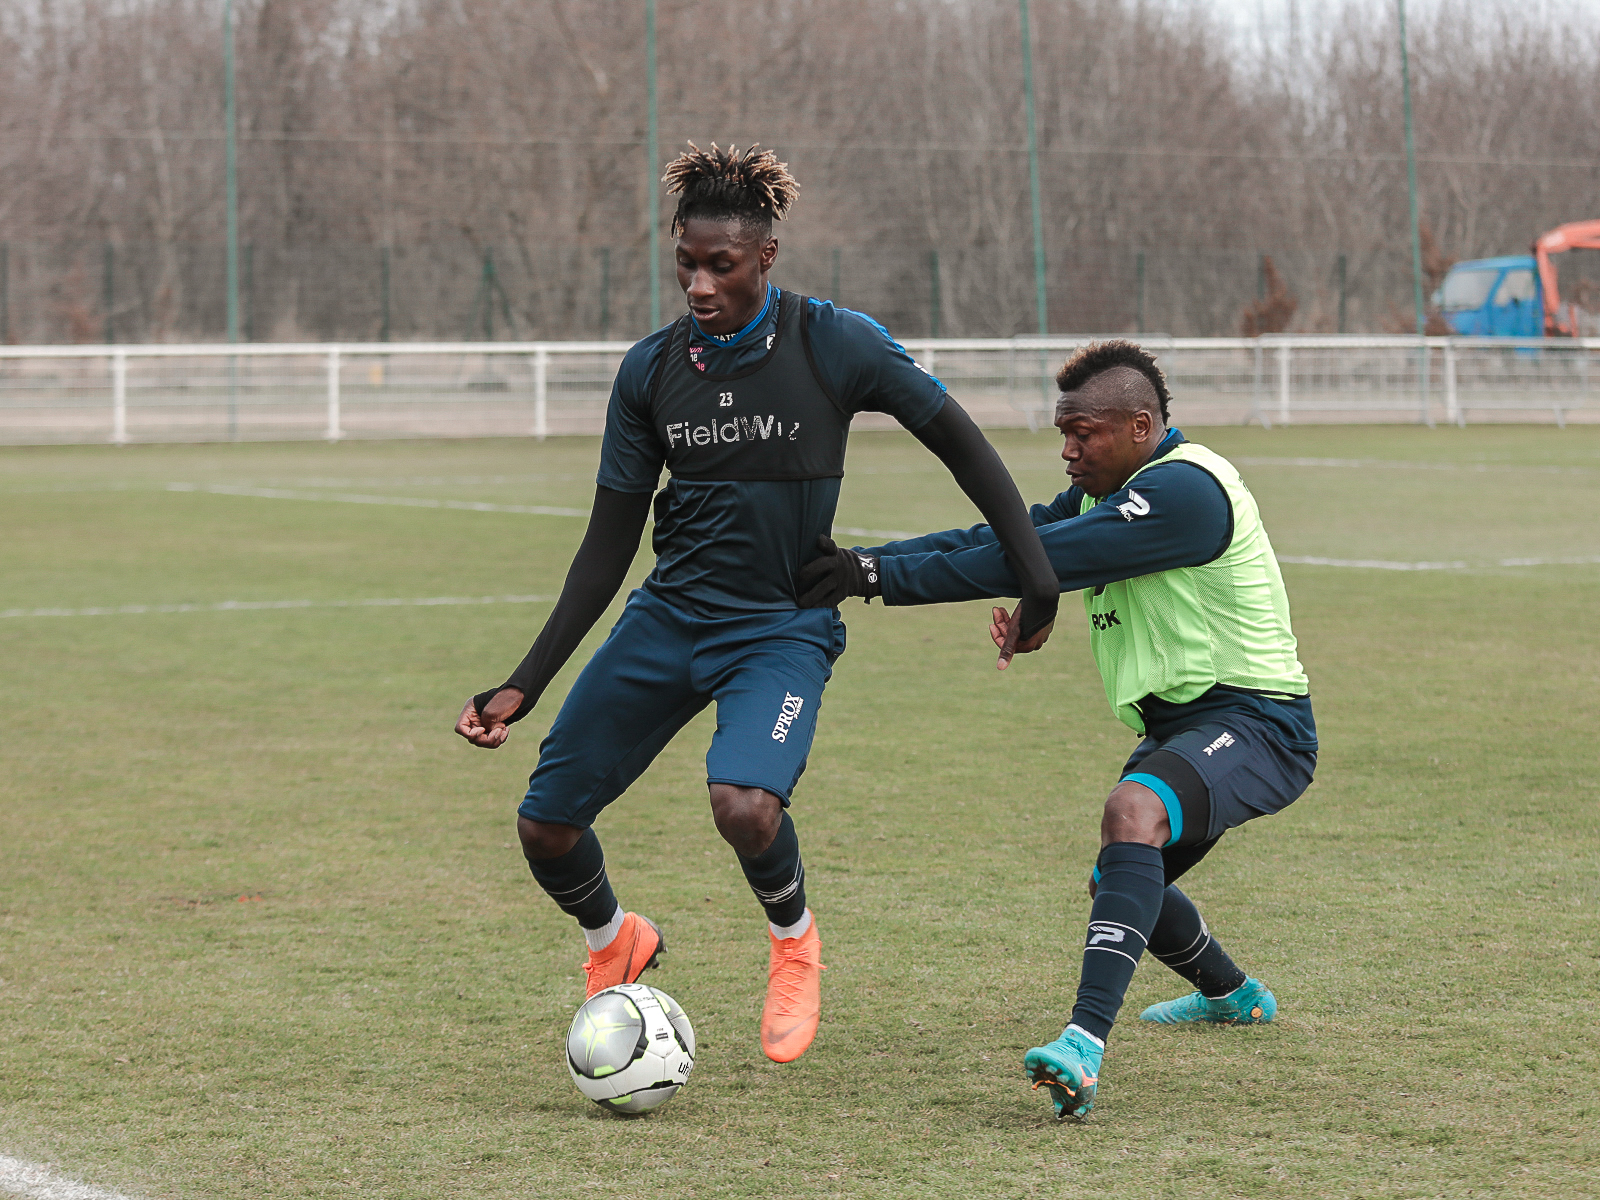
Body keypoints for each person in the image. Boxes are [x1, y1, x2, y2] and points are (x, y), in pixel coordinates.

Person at [455, 143, 1058, 1065]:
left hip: (780, 626)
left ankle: (793, 944)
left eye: (720, 265)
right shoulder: (650, 371)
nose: (699, 284)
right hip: (670, 618)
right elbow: (609, 541)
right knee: (545, 826)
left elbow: (962, 445)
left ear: (766, 256)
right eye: (687, 264)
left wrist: (1036, 573)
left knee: (743, 805)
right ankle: (613, 939)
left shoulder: (835, 341)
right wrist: (524, 681)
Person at [797, 339, 1315, 1116]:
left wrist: (870, 578)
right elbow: (1000, 541)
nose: (1068, 451)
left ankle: (1082, 1046)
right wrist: (861, 565)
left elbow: (1036, 558)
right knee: (1119, 878)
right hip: (1184, 723)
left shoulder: (1186, 491)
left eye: (1085, 433)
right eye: (1062, 433)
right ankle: (1233, 995)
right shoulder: (1109, 493)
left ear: (1141, 425)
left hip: (1258, 719)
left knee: (1130, 817)